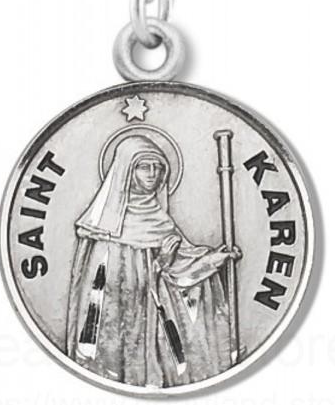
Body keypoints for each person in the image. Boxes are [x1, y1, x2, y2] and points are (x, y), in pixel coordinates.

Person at [66, 134, 241, 387]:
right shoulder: (105, 230)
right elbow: (109, 295)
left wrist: (212, 261)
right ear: (126, 170)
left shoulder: (161, 221)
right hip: (121, 342)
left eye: (157, 167)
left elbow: (181, 274)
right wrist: (158, 265)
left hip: (156, 337)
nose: (152, 174)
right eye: (143, 166)